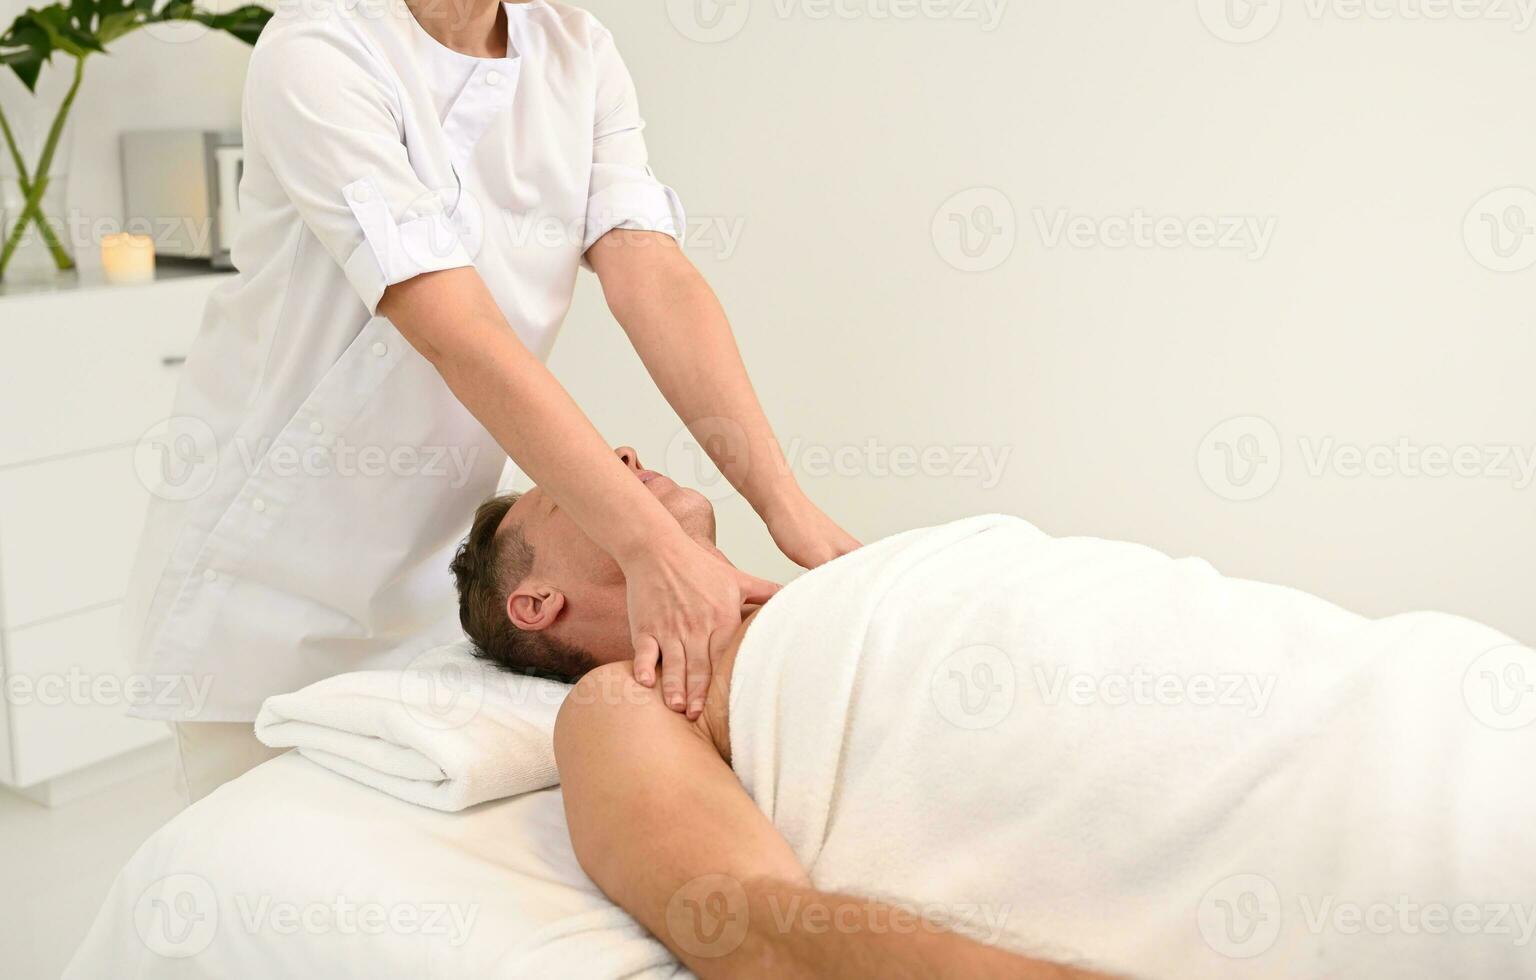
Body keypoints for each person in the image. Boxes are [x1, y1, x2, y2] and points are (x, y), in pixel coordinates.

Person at [120, 0, 856, 803]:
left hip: (427, 567)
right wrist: (654, 551)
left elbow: (654, 274)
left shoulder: (580, 53)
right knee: (270, 867)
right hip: (266, 576)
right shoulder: (320, 49)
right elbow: (456, 330)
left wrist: (790, 512)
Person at [452, 449, 1535, 979]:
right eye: (565, 484)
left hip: (1430, 690)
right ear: (532, 599)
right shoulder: (624, 699)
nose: (616, 455)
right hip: (1363, 837)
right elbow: (742, 918)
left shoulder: (833, 581)